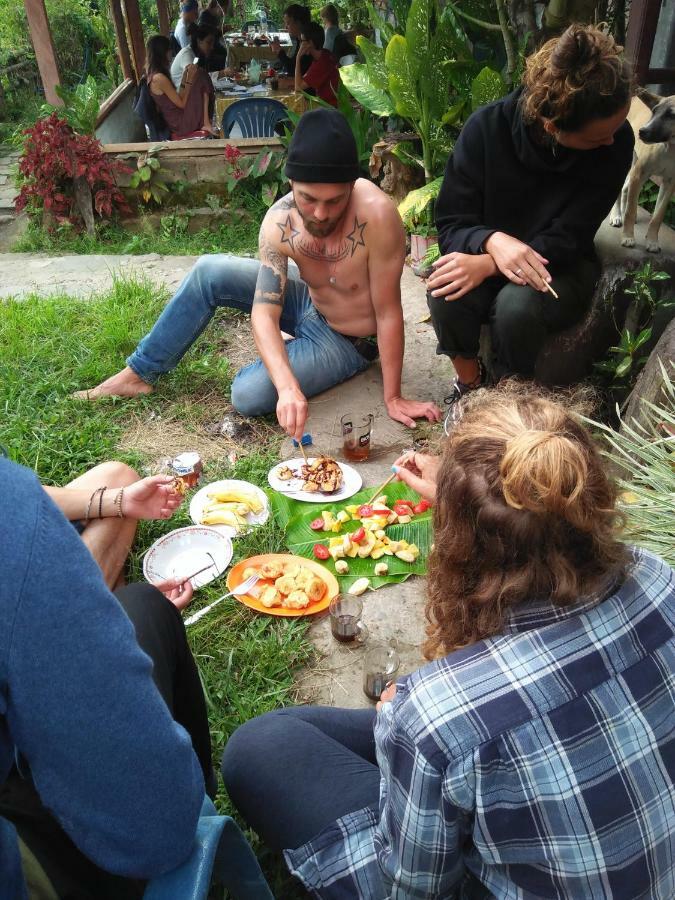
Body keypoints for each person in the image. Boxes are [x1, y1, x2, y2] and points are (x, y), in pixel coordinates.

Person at [221, 382, 675, 898]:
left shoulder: (439, 717)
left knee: (258, 748)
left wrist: (412, 725)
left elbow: (413, 890)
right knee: (322, 733)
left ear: (454, 538)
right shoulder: (661, 579)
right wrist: (478, 504)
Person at [74, 109, 441, 440]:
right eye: (308, 198)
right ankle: (140, 374)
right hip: (311, 302)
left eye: (334, 201)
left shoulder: (377, 217)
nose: (320, 213)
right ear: (291, 184)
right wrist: (287, 386)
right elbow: (265, 311)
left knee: (246, 394)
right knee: (209, 270)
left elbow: (390, 311)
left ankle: (299, 352)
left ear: (351, 187)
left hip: (348, 339)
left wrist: (393, 396)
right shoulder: (278, 224)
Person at [0, 456, 213, 899]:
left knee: (116, 477)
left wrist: (116, 501)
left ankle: (81, 596)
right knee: (147, 608)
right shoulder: (14, 516)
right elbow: (153, 829)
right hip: (31, 861)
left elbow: (26, 504)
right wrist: (89, 621)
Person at [427, 24, 634, 432]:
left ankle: (510, 405)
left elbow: (571, 236)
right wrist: (490, 241)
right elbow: (451, 222)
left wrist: (489, 264)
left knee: (516, 308)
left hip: (562, 262)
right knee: (444, 289)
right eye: (599, 138)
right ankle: (471, 386)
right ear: (553, 127)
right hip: (491, 251)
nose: (613, 142)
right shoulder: (486, 130)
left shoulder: (616, 143)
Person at [43, 459, 184, 590]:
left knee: (121, 477)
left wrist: (122, 500)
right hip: (37, 590)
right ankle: (106, 598)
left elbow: (30, 499)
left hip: (33, 540)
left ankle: (110, 584)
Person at [145, 34, 215, 140]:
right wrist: (189, 81)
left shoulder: (156, 74)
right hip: (179, 124)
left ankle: (206, 121)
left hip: (179, 116)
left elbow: (179, 97)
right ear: (162, 52)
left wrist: (184, 78)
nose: (171, 53)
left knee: (200, 74)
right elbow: (182, 104)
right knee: (200, 75)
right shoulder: (158, 78)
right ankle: (206, 122)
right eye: (169, 50)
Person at [295, 22, 339, 107]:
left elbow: (298, 87)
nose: (300, 45)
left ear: (310, 43)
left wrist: (298, 57)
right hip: (326, 104)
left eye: (302, 41)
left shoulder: (322, 63)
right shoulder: (325, 54)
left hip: (329, 108)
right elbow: (302, 80)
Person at [270, 3, 312, 79]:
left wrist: (279, 51)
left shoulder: (308, 43)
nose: (285, 27)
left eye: (288, 23)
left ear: (298, 23)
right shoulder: (300, 39)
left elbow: (293, 69)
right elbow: (294, 65)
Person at [170, 21, 217, 87]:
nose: (212, 47)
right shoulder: (187, 54)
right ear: (199, 41)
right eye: (209, 42)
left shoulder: (197, 55)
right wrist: (221, 73)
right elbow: (195, 78)